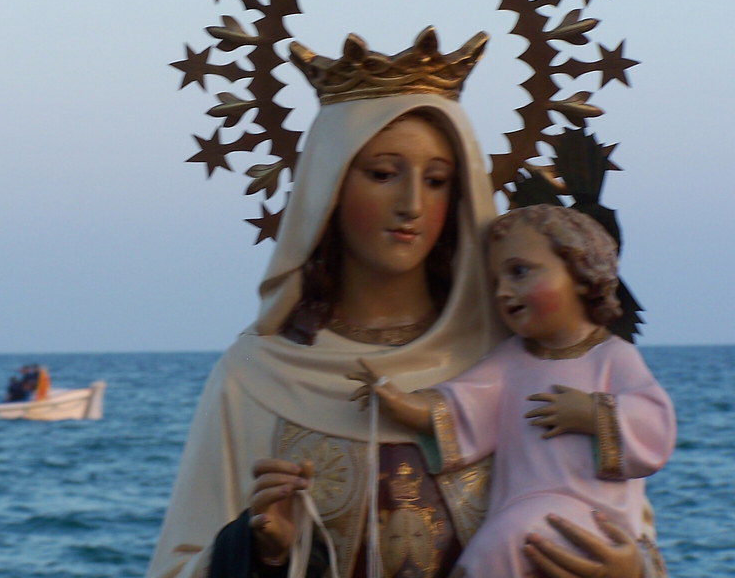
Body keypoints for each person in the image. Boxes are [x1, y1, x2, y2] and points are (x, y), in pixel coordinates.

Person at [146, 30, 667, 578]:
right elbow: (178, 565)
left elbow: (625, 526)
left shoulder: (526, 361)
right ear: (328, 187)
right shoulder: (255, 377)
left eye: (437, 180)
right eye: (381, 174)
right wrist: (266, 554)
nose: (412, 204)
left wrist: (627, 570)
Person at [351, 205, 675, 577]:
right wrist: (401, 403)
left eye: (519, 272)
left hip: (592, 524)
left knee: (506, 539)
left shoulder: (612, 357)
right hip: (522, 516)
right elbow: (464, 404)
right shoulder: (511, 361)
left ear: (581, 273)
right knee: (510, 535)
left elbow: (654, 424)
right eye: (495, 282)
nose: (504, 292)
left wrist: (592, 413)